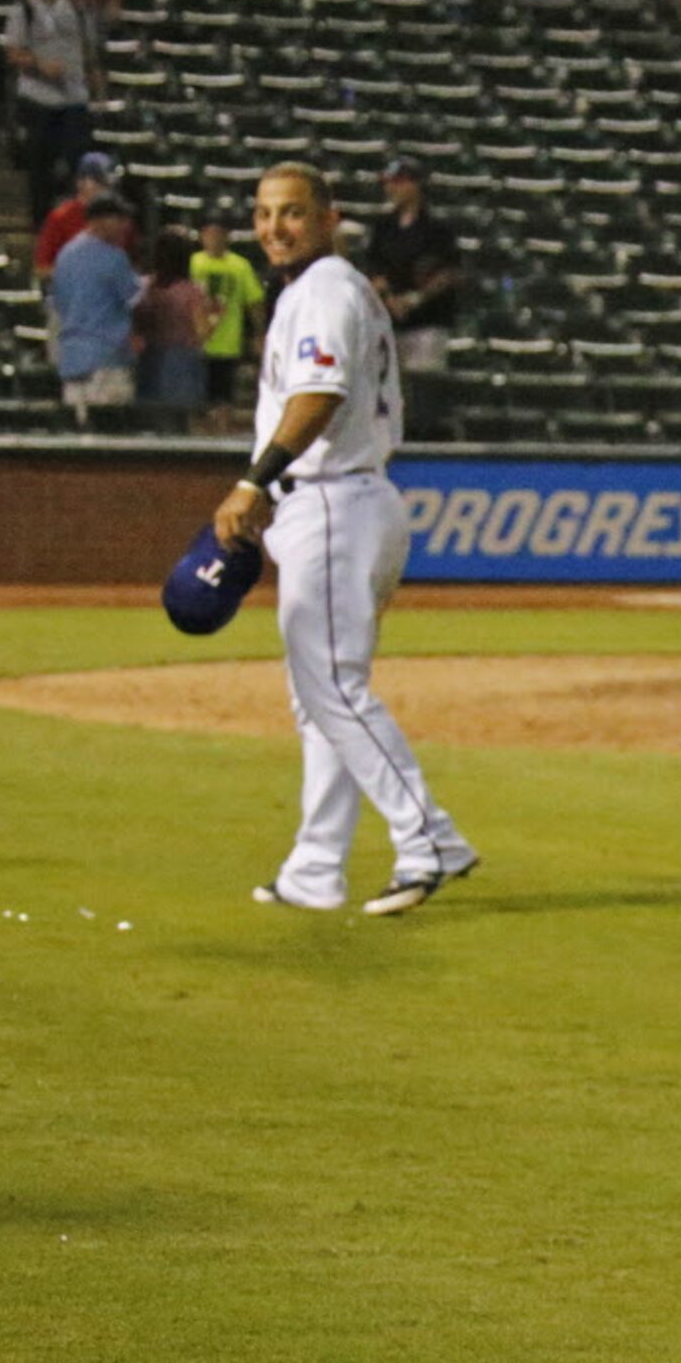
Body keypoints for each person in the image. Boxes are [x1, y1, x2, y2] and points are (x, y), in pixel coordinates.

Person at [208, 162, 478, 916]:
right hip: (344, 505)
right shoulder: (323, 289)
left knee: (332, 688)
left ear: (329, 219)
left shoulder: (324, 288)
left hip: (333, 504)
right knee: (319, 697)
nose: (273, 227)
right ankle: (315, 867)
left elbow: (320, 394)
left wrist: (255, 479)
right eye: (263, 213)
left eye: (292, 212)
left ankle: (431, 839)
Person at [3, 0, 91, 228]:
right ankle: (40, 222)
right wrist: (40, 65)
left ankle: (75, 220)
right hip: (38, 96)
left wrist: (96, 81)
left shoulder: (75, 8)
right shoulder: (23, 10)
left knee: (76, 160)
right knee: (40, 163)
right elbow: (13, 53)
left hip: (74, 96)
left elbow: (88, 49)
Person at [363, 157, 462, 375]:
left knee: (423, 388)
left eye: (398, 182)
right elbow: (374, 268)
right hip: (389, 323)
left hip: (428, 323)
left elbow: (449, 272)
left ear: (415, 184)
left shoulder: (437, 228)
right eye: (388, 182)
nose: (391, 188)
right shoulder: (384, 227)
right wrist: (390, 300)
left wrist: (415, 298)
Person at [49, 189, 138, 421]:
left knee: (78, 444)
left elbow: (58, 304)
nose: (123, 225)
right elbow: (135, 299)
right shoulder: (114, 256)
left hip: (71, 360)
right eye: (117, 219)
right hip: (107, 361)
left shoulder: (65, 255)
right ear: (97, 221)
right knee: (111, 441)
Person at [131, 225, 212, 427]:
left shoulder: (144, 287)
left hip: (149, 358)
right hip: (182, 361)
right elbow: (202, 332)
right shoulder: (192, 291)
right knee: (179, 422)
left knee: (150, 419)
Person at [191, 213, 266, 429]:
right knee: (199, 397)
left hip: (227, 342)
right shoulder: (193, 263)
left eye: (218, 234)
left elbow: (254, 301)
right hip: (198, 342)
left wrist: (259, 332)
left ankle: (221, 435)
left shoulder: (240, 266)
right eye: (209, 233)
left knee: (224, 396)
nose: (214, 238)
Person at [33, 149, 134, 279]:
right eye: (102, 184)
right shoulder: (60, 217)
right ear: (81, 183)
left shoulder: (121, 220)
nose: (108, 190)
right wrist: (82, 276)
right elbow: (41, 268)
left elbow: (131, 267)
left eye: (110, 185)